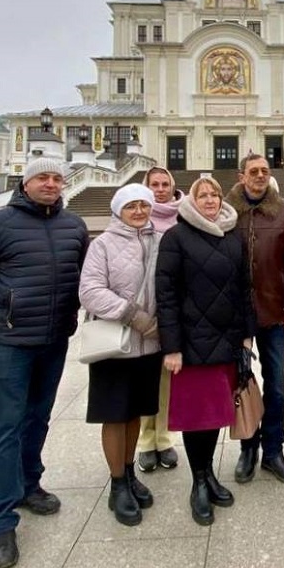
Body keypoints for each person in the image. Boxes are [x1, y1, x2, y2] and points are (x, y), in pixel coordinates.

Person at [0, 156, 89, 568]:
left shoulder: (74, 226)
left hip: (54, 339)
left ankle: (30, 484)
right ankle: (1, 521)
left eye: (56, 178)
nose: (50, 183)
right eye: (42, 177)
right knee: (6, 426)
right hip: (11, 343)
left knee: (38, 418)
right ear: (25, 184)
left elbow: (84, 276)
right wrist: (0, 315)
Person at [156, 176, 256, 525]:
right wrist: (172, 347)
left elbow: (245, 288)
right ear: (192, 200)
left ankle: (209, 474)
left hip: (226, 341)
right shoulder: (175, 238)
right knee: (195, 418)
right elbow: (165, 296)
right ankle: (198, 482)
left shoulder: (233, 236)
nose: (211, 199)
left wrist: (246, 336)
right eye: (204, 195)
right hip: (191, 344)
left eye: (215, 193)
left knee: (213, 415)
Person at [79, 183, 163, 527]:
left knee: (135, 414)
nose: (139, 211)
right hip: (115, 344)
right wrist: (133, 314)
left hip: (150, 345)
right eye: (132, 206)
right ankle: (116, 484)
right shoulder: (102, 245)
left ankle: (129, 474)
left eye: (144, 205)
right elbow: (90, 291)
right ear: (118, 211)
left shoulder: (159, 241)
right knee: (114, 414)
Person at [225, 154, 284, 486]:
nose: (259, 176)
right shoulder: (227, 210)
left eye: (264, 171)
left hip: (273, 310)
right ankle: (248, 447)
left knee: (277, 385)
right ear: (242, 175)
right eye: (253, 171)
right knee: (241, 383)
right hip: (236, 313)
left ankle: (273, 450)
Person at [135, 166, 183, 473]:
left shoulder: (184, 215)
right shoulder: (137, 214)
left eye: (166, 184)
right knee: (142, 376)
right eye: (154, 184)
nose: (160, 189)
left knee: (167, 377)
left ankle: (164, 437)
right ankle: (144, 440)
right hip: (140, 310)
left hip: (173, 305)